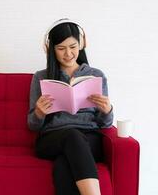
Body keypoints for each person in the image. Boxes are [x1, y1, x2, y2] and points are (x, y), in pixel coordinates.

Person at [27, 18, 114, 195]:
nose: (68, 54)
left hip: (89, 139)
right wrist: (39, 113)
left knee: (63, 165)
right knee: (72, 136)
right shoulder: (41, 77)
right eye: (61, 48)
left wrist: (107, 111)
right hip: (52, 138)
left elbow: (105, 124)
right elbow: (32, 125)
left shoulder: (96, 75)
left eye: (73, 47)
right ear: (51, 49)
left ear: (81, 44)